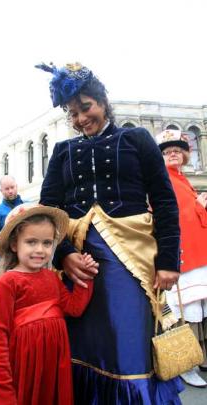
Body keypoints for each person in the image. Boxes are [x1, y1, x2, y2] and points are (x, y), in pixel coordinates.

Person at [36, 62, 184, 404]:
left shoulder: (137, 139)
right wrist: (64, 255)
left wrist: (168, 260)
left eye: (85, 107)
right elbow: (48, 211)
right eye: (72, 113)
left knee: (127, 343)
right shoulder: (62, 152)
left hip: (132, 263)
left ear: (103, 101)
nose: (80, 119)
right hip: (79, 265)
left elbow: (163, 200)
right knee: (84, 346)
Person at [0, 203, 95, 405]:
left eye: (46, 243)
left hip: (51, 371)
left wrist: (85, 275)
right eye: (31, 242)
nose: (40, 250)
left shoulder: (52, 278)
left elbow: (74, 307)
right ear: (15, 244)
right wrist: (2, 390)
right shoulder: (6, 282)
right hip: (22, 371)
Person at [156, 129, 207, 388]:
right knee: (183, 311)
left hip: (200, 255)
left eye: (176, 149)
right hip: (181, 255)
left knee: (198, 308)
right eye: (166, 151)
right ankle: (186, 363)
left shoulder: (183, 178)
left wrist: (199, 204)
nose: (172, 154)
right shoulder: (162, 178)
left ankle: (200, 357)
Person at [0, 175, 24, 278]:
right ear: (1, 190)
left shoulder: (27, 206)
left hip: (26, 254)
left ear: (16, 186)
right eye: (7, 189)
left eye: (12, 187)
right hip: (5, 258)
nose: (10, 191)